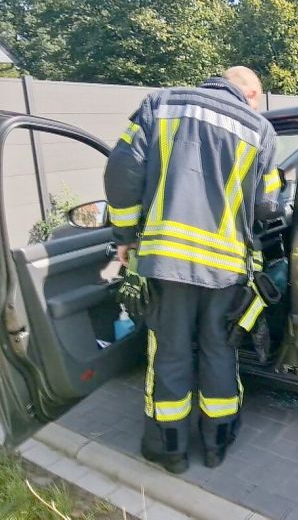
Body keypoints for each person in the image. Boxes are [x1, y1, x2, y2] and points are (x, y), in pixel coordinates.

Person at [103, 66, 282, 473]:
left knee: (170, 354)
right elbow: (270, 206)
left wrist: (126, 235)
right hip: (225, 270)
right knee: (220, 351)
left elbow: (121, 171)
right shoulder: (259, 130)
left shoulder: (161, 104)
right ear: (250, 92)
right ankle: (217, 444)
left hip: (165, 264)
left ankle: (170, 452)